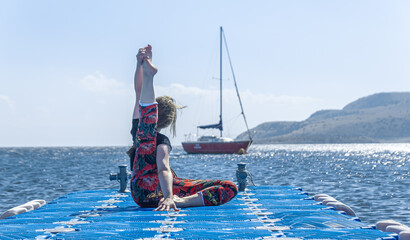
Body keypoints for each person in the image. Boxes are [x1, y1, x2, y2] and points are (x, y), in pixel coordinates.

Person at [129, 45, 238, 211]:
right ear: (168, 122)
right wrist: (168, 197)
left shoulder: (139, 129)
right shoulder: (161, 141)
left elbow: (139, 93)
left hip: (141, 194)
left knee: (145, 133)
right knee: (230, 187)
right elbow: (163, 168)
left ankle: (148, 76)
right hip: (163, 191)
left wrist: (140, 63)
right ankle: (184, 201)